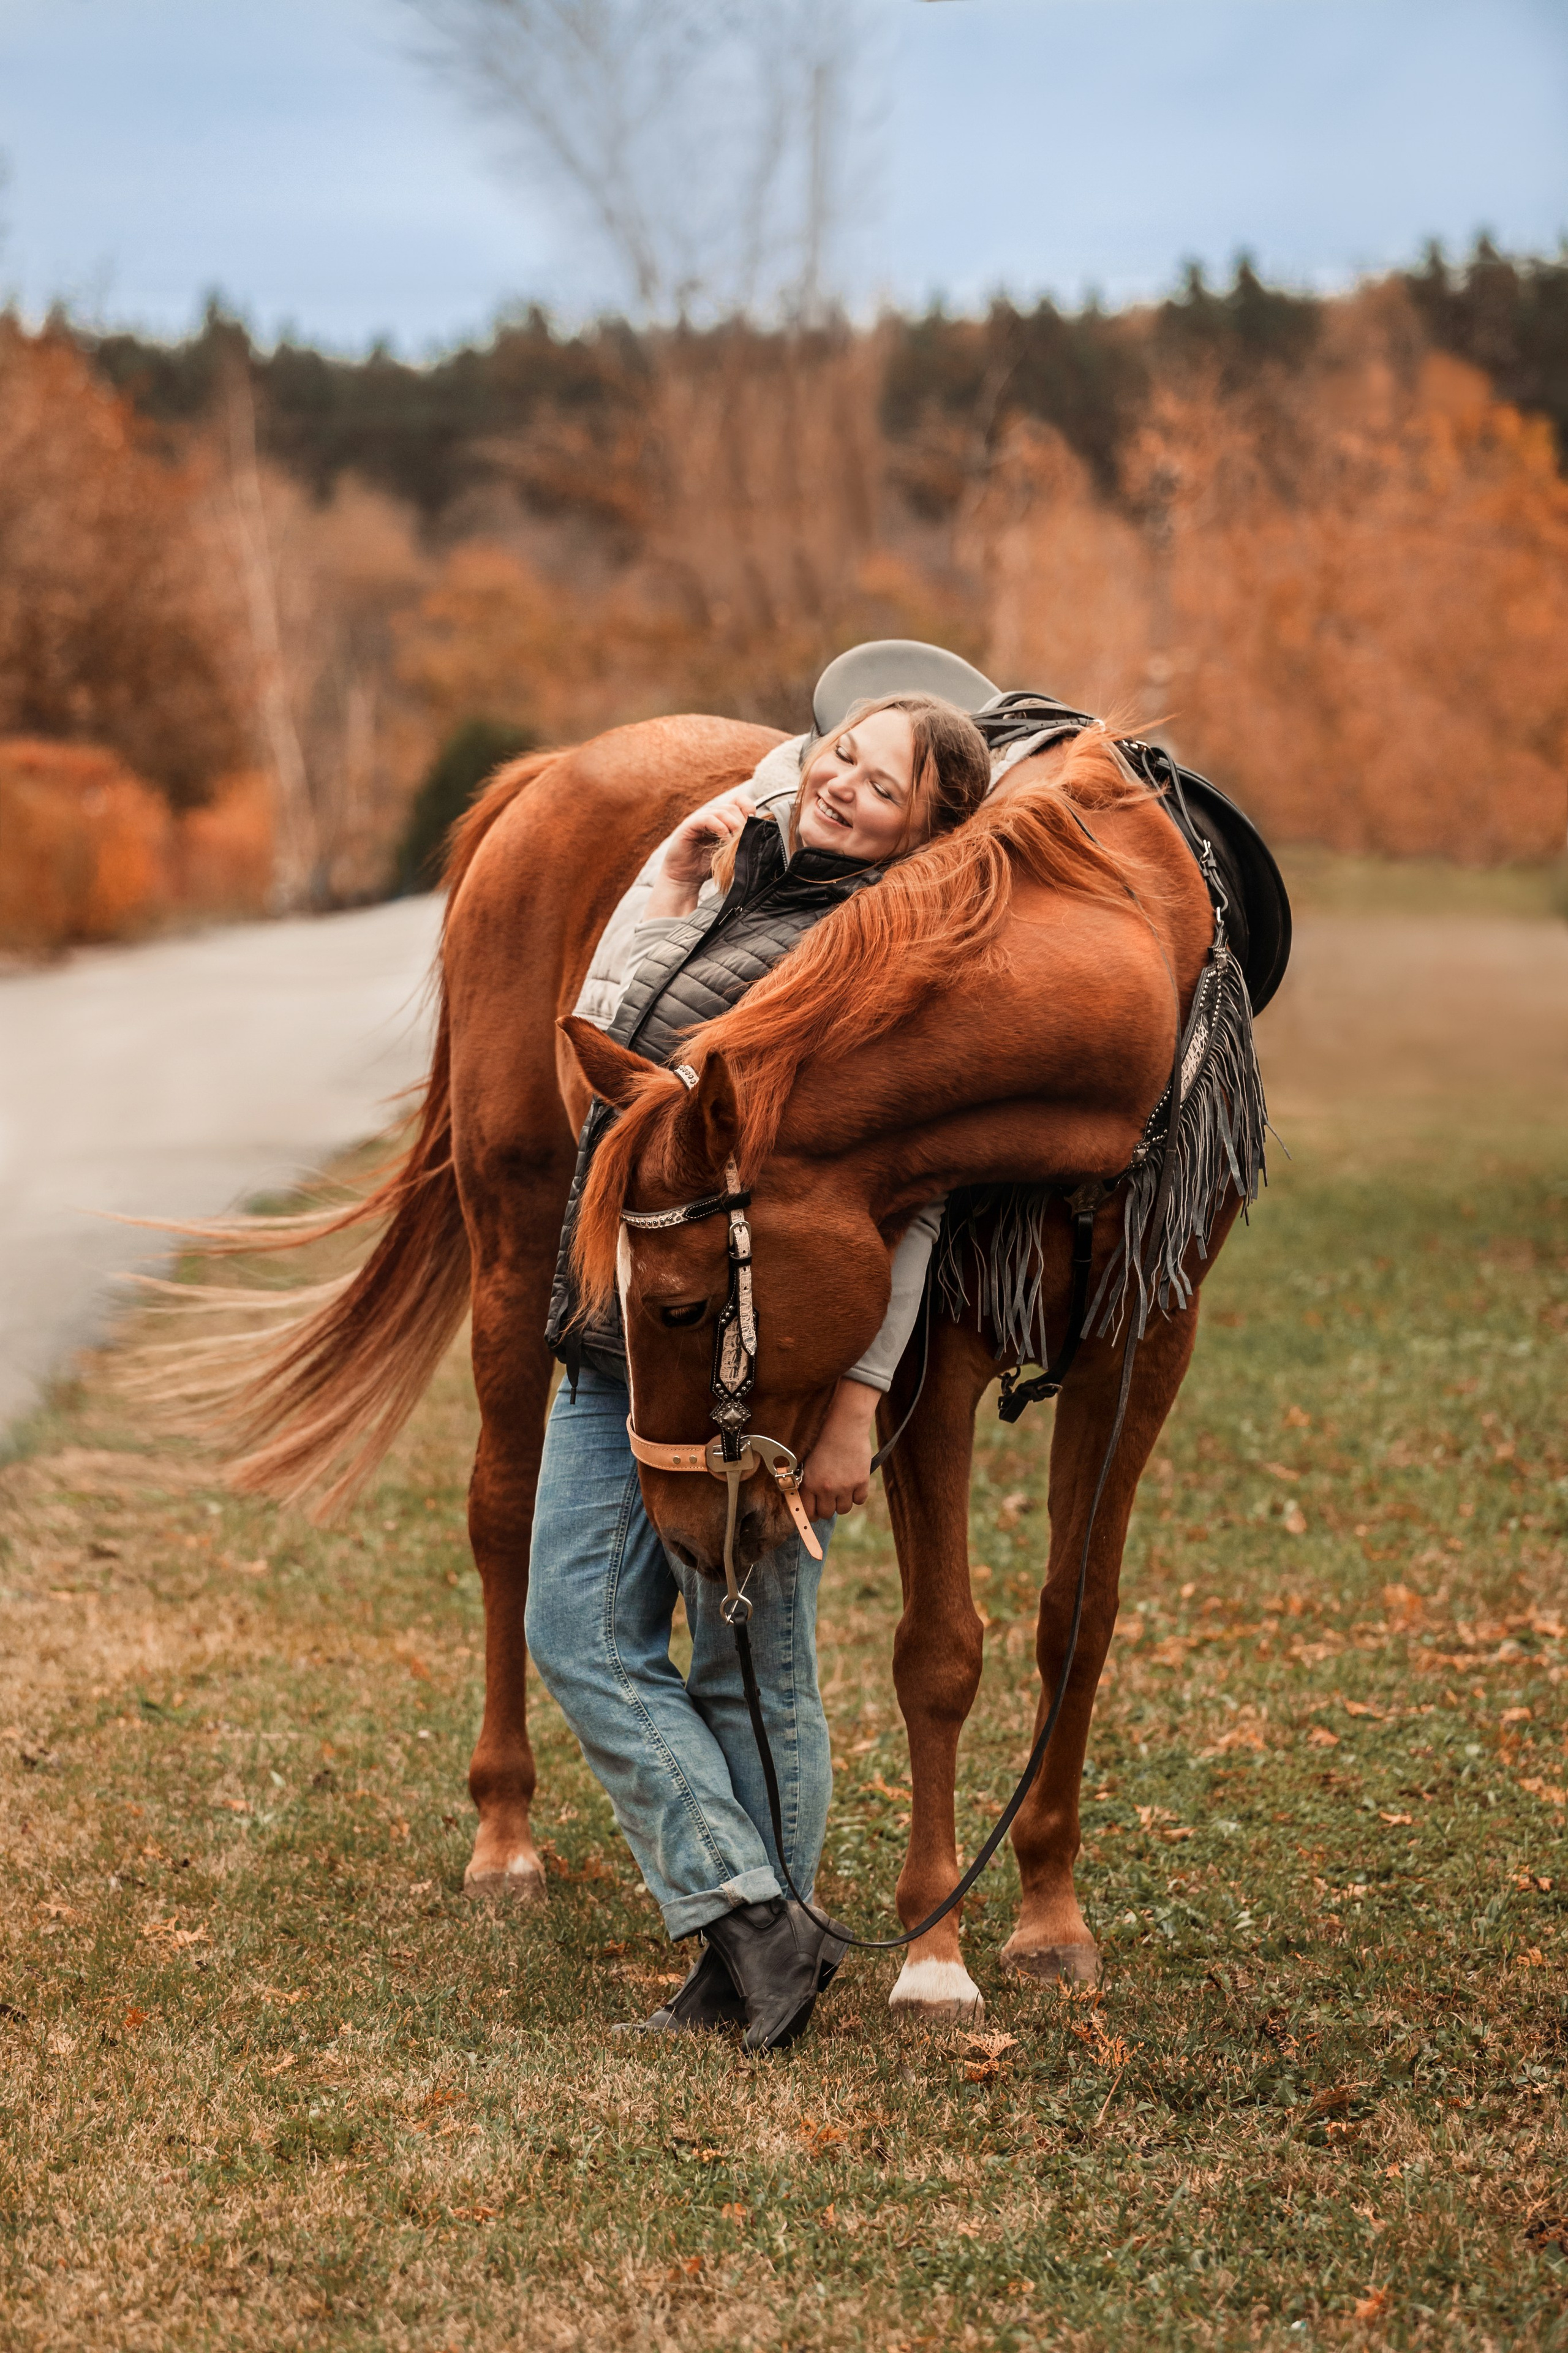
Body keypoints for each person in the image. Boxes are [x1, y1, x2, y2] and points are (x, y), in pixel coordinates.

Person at [526, 696, 992, 2050]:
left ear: (926, 829)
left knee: (749, 1664)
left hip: (745, 1362)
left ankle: (750, 1960)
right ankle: (755, 1923)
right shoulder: (745, 883)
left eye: (883, 783)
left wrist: (853, 1402)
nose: (843, 784)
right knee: (577, 1634)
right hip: (619, 1331)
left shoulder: (875, 958)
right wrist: (667, 882)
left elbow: (911, 1207)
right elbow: (600, 1070)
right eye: (840, 753)